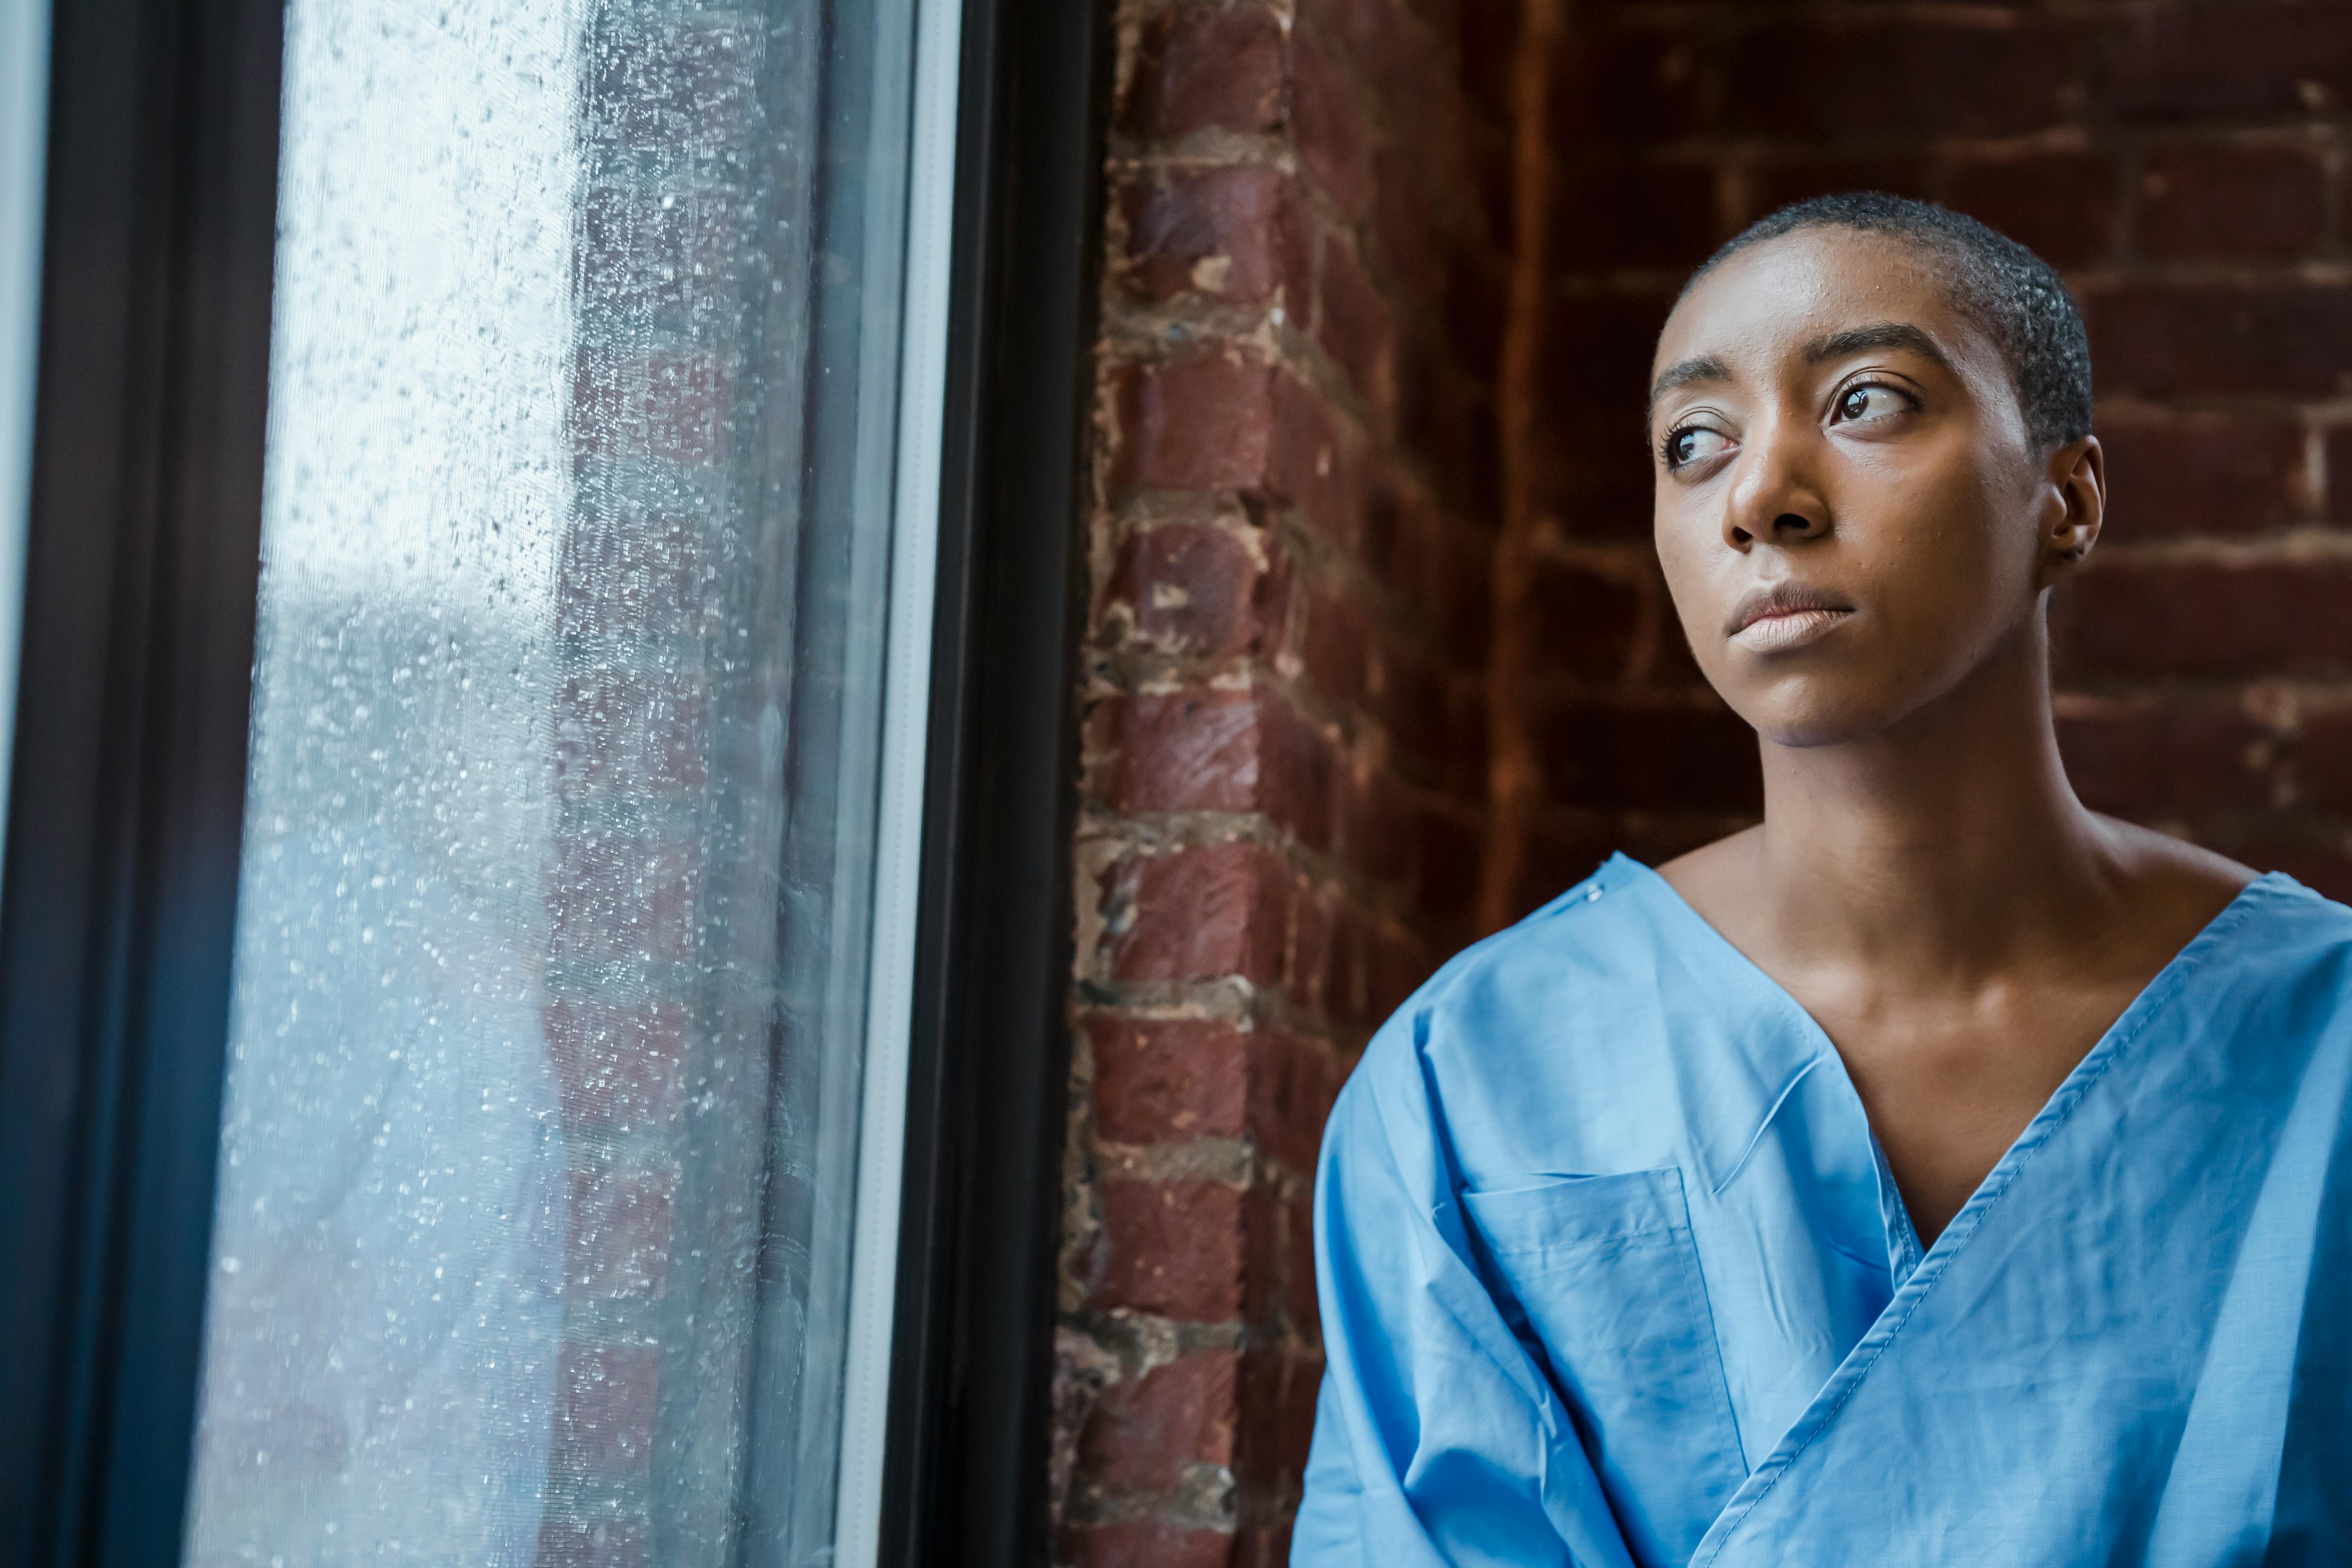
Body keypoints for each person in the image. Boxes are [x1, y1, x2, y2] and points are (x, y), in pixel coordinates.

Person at [1292, 194, 2350, 1566]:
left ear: (2068, 499)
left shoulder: (2324, 1047)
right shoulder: (1470, 1077)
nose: (1760, 498)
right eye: (1694, 442)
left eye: (1866, 402)